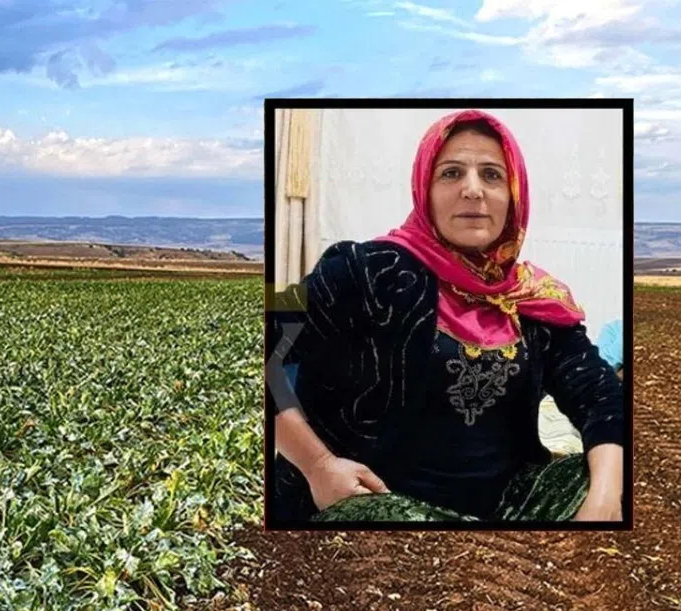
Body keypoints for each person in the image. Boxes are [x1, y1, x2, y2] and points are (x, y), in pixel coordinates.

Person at [267, 109, 625, 524]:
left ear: (514, 194)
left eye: (492, 175)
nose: (473, 190)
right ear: (424, 188)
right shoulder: (365, 270)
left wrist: (602, 499)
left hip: (505, 504)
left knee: (612, 472)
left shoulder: (532, 298)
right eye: (451, 173)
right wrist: (318, 465)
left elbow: (600, 395)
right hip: (375, 501)